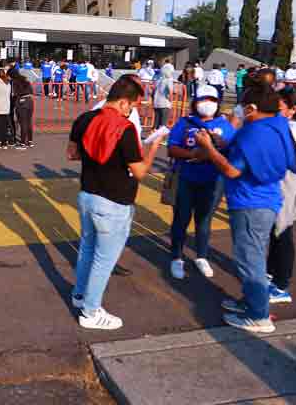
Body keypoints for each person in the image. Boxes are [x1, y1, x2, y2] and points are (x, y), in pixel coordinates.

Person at [194, 84, 296, 333]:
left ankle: (258, 315)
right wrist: (223, 144)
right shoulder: (279, 125)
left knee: (249, 259)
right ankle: (251, 301)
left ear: (252, 108)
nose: (239, 110)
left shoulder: (253, 133)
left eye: (243, 106)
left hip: (250, 202)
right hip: (268, 199)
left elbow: (232, 170)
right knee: (253, 255)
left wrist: (210, 149)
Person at [68, 77, 167, 330]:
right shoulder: (125, 128)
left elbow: (72, 153)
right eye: (131, 106)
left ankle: (80, 296)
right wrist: (154, 148)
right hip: (114, 201)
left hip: (87, 194)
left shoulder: (84, 119)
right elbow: (140, 171)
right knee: (104, 260)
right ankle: (91, 312)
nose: (131, 110)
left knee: (88, 250)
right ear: (123, 102)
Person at [167, 84, 235, 280]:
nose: (207, 104)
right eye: (203, 99)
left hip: (213, 181)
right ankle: (176, 257)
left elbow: (233, 151)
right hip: (186, 178)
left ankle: (202, 256)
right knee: (181, 218)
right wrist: (192, 154)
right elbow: (172, 149)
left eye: (212, 100)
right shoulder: (185, 123)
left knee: (204, 219)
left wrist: (220, 146)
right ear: (195, 102)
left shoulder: (224, 125)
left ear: (218, 103)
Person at [266, 86, 296, 304]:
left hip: (287, 185)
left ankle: (281, 285)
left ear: (293, 109)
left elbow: (292, 160)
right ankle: (271, 272)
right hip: (281, 184)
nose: (276, 109)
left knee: (283, 233)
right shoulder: (289, 125)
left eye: (280, 105)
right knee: (275, 232)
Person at [11, 68, 34, 149]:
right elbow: (31, 91)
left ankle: (23, 143)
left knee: (23, 123)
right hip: (30, 101)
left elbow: (15, 94)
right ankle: (30, 141)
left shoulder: (15, 82)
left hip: (21, 102)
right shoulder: (25, 80)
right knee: (28, 122)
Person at [152, 63, 174, 132]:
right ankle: (161, 138)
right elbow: (170, 91)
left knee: (156, 122)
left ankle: (153, 135)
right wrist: (171, 101)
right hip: (165, 103)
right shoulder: (169, 80)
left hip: (156, 102)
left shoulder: (159, 79)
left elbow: (153, 91)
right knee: (163, 123)